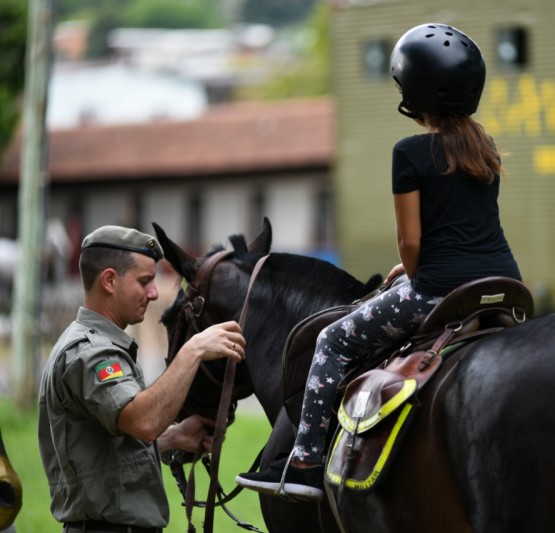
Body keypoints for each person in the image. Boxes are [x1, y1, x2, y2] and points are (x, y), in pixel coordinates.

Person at [234, 22, 521, 502]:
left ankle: (304, 463)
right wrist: (408, 268)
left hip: (438, 290)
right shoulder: (484, 147)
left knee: (331, 340)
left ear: (414, 90)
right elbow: (462, 231)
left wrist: (410, 272)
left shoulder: (409, 152)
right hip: (502, 284)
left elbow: (412, 243)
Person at [38, 225, 246, 533]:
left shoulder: (95, 344)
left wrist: (173, 438)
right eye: (145, 281)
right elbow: (143, 421)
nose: (153, 293)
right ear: (109, 280)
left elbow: (107, 450)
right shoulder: (91, 353)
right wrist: (194, 349)